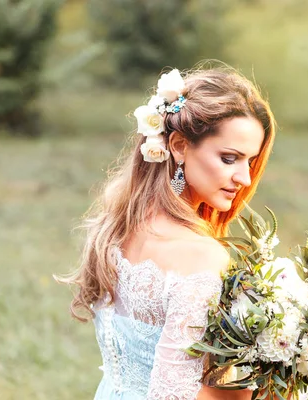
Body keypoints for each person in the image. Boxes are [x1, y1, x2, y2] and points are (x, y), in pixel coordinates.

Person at [60, 66, 276, 400]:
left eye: (250, 162)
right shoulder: (200, 256)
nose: (244, 179)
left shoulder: (118, 225)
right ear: (178, 145)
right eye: (229, 158)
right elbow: (173, 393)